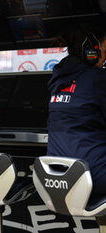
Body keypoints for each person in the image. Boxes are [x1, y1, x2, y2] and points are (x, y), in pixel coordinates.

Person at [47, 28, 106, 196]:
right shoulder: (98, 78)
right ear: (90, 52)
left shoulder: (57, 79)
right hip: (93, 178)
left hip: (58, 178)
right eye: (104, 52)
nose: (105, 58)